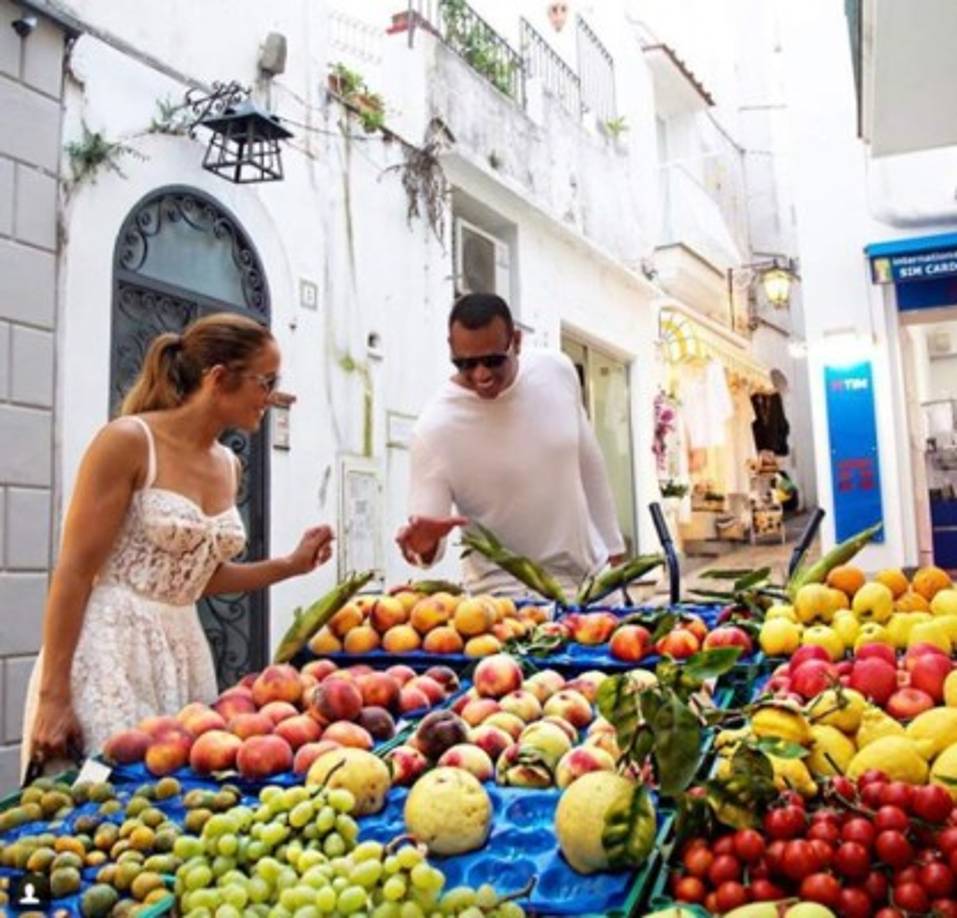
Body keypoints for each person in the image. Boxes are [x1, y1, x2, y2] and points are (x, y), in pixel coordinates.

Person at [22, 313, 334, 775]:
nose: (271, 397)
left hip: (184, 650)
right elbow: (73, 571)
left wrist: (291, 565)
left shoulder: (229, 465)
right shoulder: (128, 441)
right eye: (265, 381)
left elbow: (194, 580)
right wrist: (53, 695)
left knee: (174, 809)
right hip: (109, 651)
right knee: (103, 805)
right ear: (218, 379)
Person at [396, 293, 626, 597]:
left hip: (592, 582)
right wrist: (422, 547)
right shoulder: (435, 429)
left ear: (516, 341)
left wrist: (614, 550)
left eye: (493, 360)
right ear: (451, 349)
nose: (481, 374)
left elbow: (588, 462)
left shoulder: (557, 371)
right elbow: (428, 543)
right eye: (465, 363)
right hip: (506, 599)